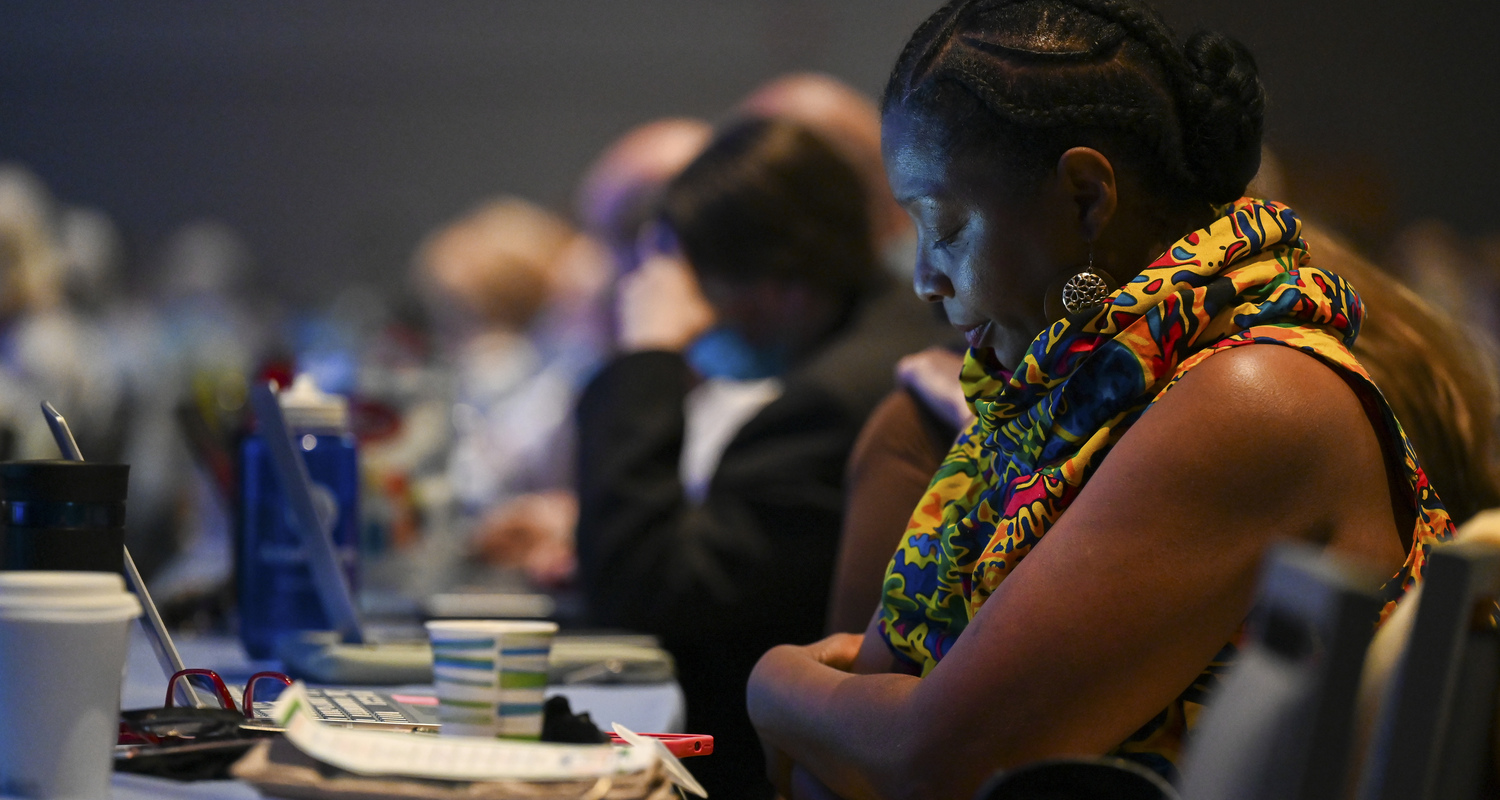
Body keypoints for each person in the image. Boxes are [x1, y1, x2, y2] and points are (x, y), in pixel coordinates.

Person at [746, 2, 1454, 798]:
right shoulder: (1086, 390)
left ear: (1086, 197)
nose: (923, 278)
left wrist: (771, 683)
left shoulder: (1253, 398)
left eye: (942, 225)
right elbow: (882, 712)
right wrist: (847, 722)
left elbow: (935, 762)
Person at [573, 118, 945, 799]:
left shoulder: (826, 404)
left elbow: (642, 592)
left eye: (699, 283)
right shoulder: (890, 340)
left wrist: (648, 354)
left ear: (784, 287)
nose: (693, 310)